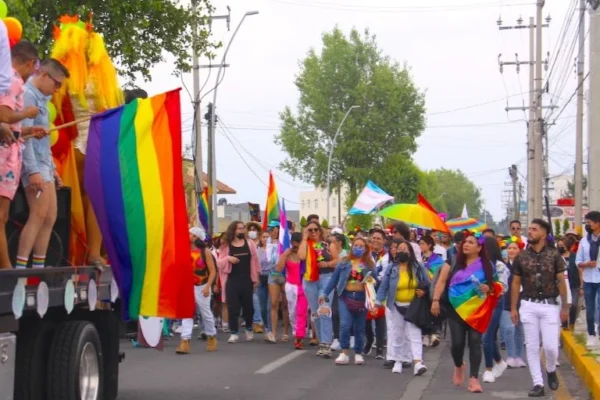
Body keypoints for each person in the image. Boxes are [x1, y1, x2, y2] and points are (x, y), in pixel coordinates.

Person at [15, 59, 69, 270]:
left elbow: (43, 140)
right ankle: (20, 270)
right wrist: (34, 171)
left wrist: (53, 170)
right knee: (37, 215)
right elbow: (25, 139)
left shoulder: (43, 101)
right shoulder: (28, 94)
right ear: (44, 75)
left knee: (50, 216)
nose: (57, 89)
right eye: (57, 84)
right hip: (33, 165)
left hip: (44, 164)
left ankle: (39, 267)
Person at [431, 231, 500, 393]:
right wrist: (435, 300)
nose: (466, 244)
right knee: (457, 344)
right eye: (465, 242)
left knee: (475, 342)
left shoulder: (487, 265)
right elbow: (441, 281)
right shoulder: (453, 261)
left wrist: (488, 287)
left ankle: (474, 379)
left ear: (479, 247)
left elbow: (498, 285)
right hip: (455, 310)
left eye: (470, 242)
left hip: (477, 311)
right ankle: (458, 365)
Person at [0, 41, 46, 270]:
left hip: (10, 152)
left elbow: (9, 124)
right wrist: (27, 113)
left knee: (4, 215)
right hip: (4, 156)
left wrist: (27, 131)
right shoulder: (13, 80)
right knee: (0, 215)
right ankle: (7, 268)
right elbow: (5, 116)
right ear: (30, 63)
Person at [511, 218, 568, 397]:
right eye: (530, 229)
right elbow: (515, 283)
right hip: (528, 305)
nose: (530, 232)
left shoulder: (554, 255)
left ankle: (551, 368)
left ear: (544, 233)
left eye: (535, 229)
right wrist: (513, 307)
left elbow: (561, 281)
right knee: (532, 346)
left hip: (550, 306)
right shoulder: (521, 256)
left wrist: (565, 307)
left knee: (551, 347)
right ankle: (538, 383)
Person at [376, 239, 430, 375]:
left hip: (414, 307)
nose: (402, 251)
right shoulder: (391, 268)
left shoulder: (418, 267)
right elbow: (384, 287)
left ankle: (418, 363)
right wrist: (377, 303)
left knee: (415, 335)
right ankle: (398, 361)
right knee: (398, 335)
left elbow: (427, 283)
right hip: (396, 306)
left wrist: (424, 291)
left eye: (406, 249)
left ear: (411, 252)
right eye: (400, 249)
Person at [321, 236, 375, 365]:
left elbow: (376, 281)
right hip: (345, 297)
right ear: (352, 247)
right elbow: (334, 279)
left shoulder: (369, 264)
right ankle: (344, 352)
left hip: (362, 298)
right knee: (345, 325)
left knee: (359, 327)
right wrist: (324, 293)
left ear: (366, 249)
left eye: (361, 246)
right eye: (356, 245)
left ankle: (358, 352)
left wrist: (370, 283)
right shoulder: (344, 262)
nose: (358, 248)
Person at [299, 220, 339, 358]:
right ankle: (322, 341)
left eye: (316, 229)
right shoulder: (305, 244)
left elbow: (336, 261)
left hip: (326, 278)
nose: (313, 232)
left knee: (324, 309)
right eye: (310, 230)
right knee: (316, 312)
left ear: (320, 231)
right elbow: (301, 256)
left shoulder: (328, 245)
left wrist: (327, 263)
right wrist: (304, 238)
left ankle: (327, 343)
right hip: (309, 280)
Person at [217, 221, 260, 343]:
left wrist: (256, 278)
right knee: (232, 307)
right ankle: (234, 333)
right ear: (233, 230)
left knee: (249, 308)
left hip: (247, 279)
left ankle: (249, 328)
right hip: (232, 280)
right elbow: (219, 263)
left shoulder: (250, 243)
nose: (241, 230)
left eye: (242, 228)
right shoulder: (226, 245)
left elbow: (256, 261)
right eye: (239, 229)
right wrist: (228, 258)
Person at [176, 227, 218, 354]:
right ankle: (185, 341)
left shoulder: (205, 252)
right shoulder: (184, 250)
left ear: (196, 237)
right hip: (188, 287)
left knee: (206, 314)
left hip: (202, 286)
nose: (187, 235)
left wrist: (207, 287)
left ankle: (211, 337)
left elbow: (212, 271)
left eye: (190, 234)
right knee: (187, 313)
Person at [481, 236, 510, 383]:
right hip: (482, 303)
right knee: (488, 336)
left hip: (496, 302)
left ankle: (489, 369)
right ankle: (499, 362)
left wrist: (490, 288)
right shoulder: (479, 264)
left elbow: (503, 287)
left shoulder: (500, 266)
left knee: (486, 336)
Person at [576, 211, 600, 347]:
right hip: (588, 279)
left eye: (589, 223)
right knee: (590, 309)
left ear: (597, 224)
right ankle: (591, 334)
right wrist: (587, 264)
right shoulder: (585, 241)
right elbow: (578, 261)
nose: (587, 225)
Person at [279, 233, 307, 349]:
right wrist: (284, 256)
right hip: (290, 286)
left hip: (303, 286)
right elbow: (278, 269)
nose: (295, 247)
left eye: (297, 245)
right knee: (292, 312)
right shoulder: (288, 254)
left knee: (302, 312)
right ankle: (296, 331)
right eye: (293, 245)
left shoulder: (305, 255)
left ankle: (299, 337)